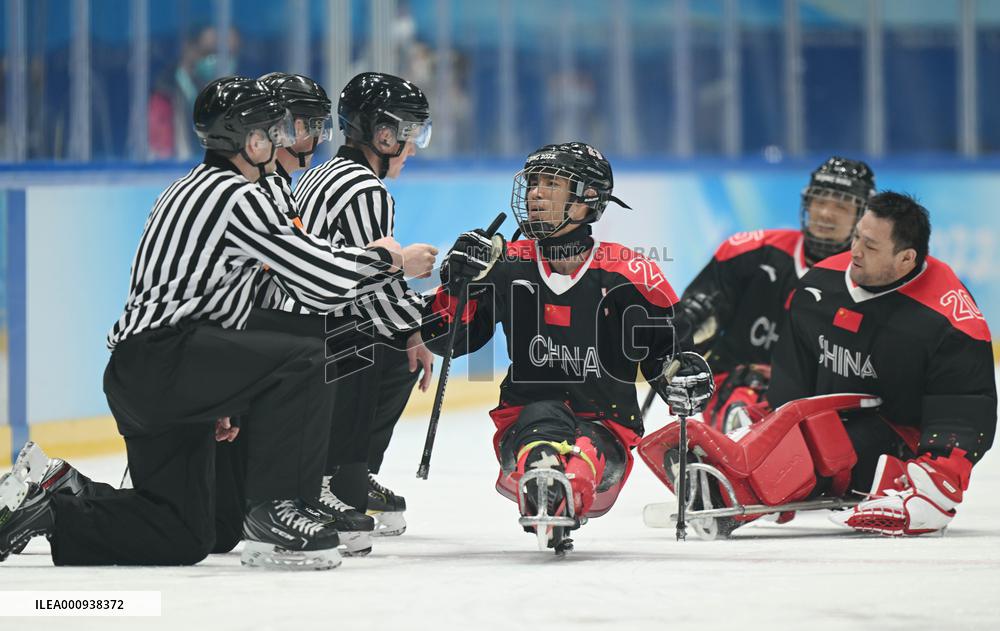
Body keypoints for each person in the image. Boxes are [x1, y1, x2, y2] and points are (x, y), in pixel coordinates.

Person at [0, 76, 403, 570]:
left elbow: (206, 300)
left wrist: (222, 389)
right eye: (271, 132)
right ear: (250, 140)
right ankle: (280, 508)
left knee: (194, 531)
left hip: (146, 374)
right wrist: (387, 261)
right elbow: (316, 281)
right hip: (168, 362)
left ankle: (53, 502)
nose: (281, 141)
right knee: (314, 353)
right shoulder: (239, 197)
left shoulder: (188, 187)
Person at [640, 192, 996, 537]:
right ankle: (732, 476)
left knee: (824, 451)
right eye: (857, 236)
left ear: (906, 259)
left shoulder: (951, 320)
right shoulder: (819, 284)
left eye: (870, 247)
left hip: (903, 433)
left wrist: (934, 485)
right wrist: (770, 429)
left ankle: (730, 490)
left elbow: (964, 405)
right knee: (791, 436)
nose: (855, 251)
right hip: (834, 414)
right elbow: (792, 383)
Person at [421, 142, 701, 553]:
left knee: (590, 443)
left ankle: (563, 479)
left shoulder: (629, 272)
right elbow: (446, 339)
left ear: (589, 197)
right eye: (533, 183)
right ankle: (545, 472)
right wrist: (456, 285)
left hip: (608, 421)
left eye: (550, 183)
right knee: (541, 423)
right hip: (525, 414)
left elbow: (669, 355)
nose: (534, 193)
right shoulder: (504, 264)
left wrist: (684, 376)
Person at [255, 71, 437, 538]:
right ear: (383, 134)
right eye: (409, 133)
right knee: (384, 344)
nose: (413, 147)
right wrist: (421, 329)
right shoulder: (365, 189)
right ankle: (332, 477)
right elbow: (371, 283)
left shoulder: (321, 174)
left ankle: (340, 473)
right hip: (311, 331)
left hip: (279, 322)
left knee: (389, 336)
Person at [667, 157, 875, 432]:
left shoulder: (874, 279)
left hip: (823, 400)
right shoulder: (751, 252)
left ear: (862, 216)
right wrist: (688, 321)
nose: (826, 213)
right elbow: (690, 324)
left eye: (841, 205)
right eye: (819, 200)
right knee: (748, 417)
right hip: (738, 384)